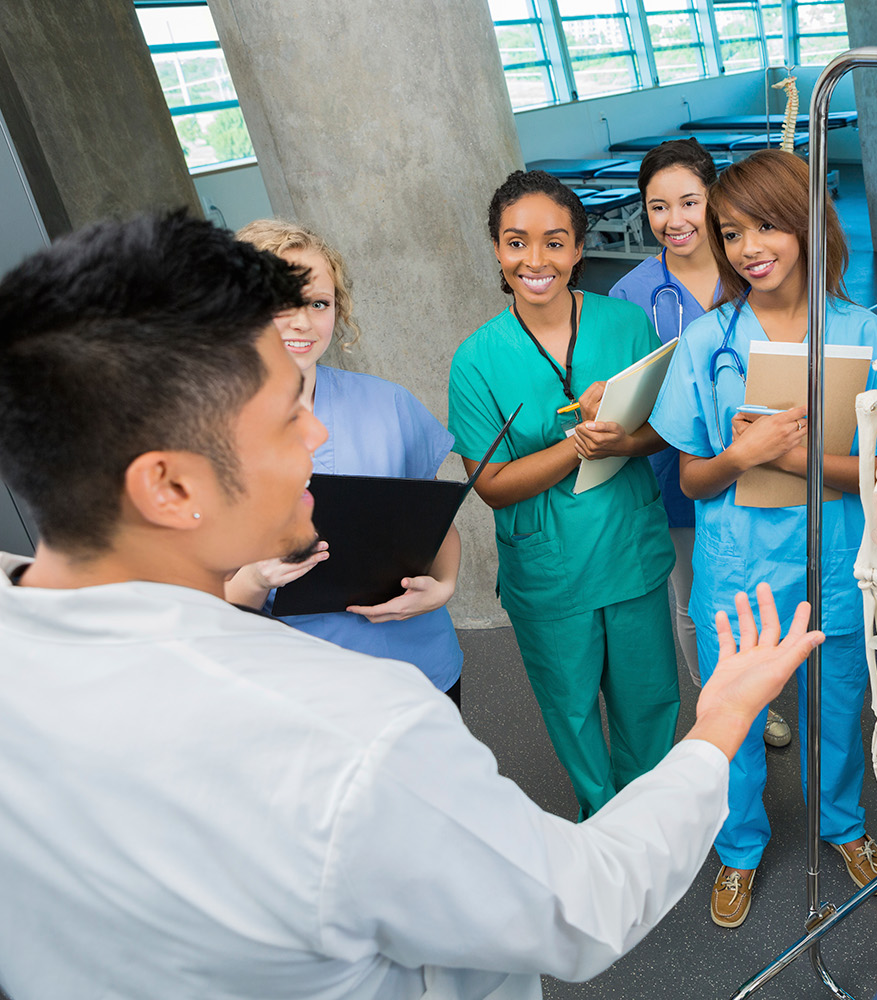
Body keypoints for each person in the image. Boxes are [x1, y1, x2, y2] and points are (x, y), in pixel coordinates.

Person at [0, 211, 825, 1000]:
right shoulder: (358, 737)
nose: (318, 435)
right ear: (171, 485)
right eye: (288, 417)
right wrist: (720, 722)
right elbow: (585, 906)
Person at [651, 148, 877, 928]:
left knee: (838, 705)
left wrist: (795, 457)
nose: (749, 247)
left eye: (766, 226)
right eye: (731, 232)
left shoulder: (867, 335)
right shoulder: (709, 340)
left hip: (835, 560)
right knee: (738, 718)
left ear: (807, 226)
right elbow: (692, 479)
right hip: (739, 563)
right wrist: (739, 457)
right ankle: (741, 847)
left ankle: (844, 825)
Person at [448, 170, 679, 820]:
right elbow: (491, 486)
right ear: (497, 250)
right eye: (516, 242)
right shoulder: (476, 360)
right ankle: (604, 828)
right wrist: (578, 443)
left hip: (627, 550)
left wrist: (622, 442)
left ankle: (652, 820)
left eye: (554, 242)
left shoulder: (626, 325)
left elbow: (663, 428)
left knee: (650, 698)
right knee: (572, 711)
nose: (536, 260)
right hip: (549, 569)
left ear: (578, 249)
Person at [224, 220, 464, 705]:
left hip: (419, 665)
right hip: (309, 687)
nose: (302, 322)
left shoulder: (389, 404)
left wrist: (444, 586)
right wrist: (255, 578)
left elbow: (433, 524)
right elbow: (199, 608)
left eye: (318, 303)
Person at [606, 140, 792, 749]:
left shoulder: (754, 267)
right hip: (676, 469)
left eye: (689, 201)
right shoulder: (632, 295)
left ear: (715, 198)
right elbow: (628, 392)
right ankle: (728, 700)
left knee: (778, 592)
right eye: (658, 207)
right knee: (697, 604)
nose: (675, 220)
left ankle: (765, 685)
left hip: (774, 462)